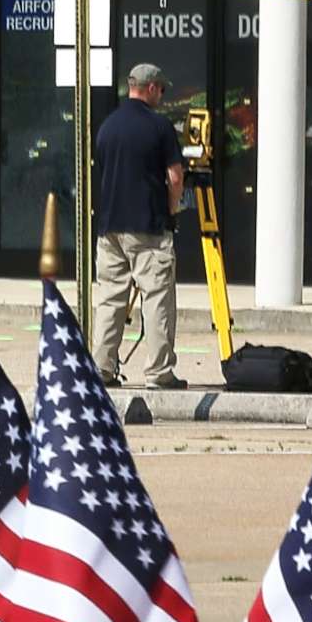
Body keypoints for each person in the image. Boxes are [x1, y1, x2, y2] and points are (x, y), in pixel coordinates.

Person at [92, 62, 186, 388]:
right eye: (161, 89)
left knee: (109, 299)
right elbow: (175, 177)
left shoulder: (107, 127)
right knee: (157, 297)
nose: (162, 95)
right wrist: (172, 211)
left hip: (110, 228)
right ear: (150, 88)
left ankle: (102, 369)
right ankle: (159, 372)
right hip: (147, 225)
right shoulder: (160, 127)